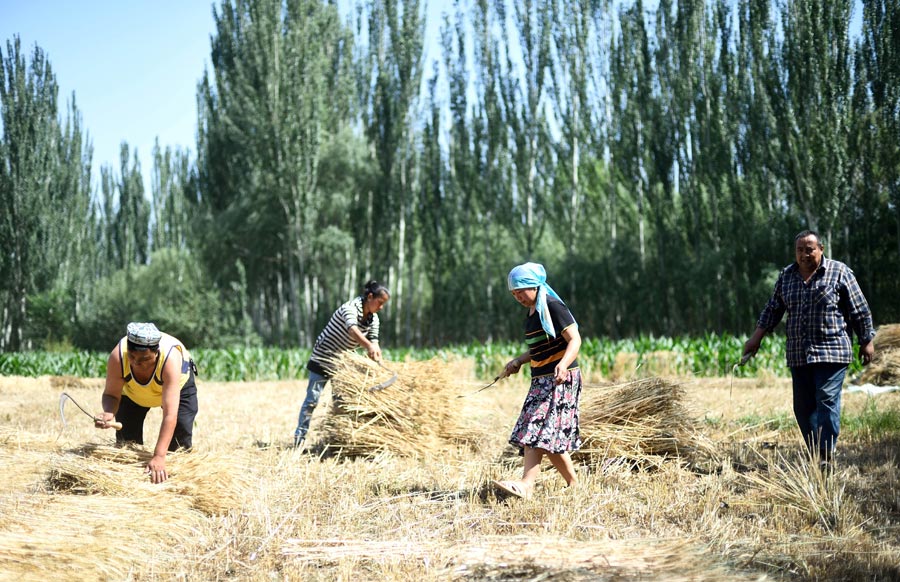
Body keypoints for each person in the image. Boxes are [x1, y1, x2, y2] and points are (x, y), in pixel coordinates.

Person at [742, 230, 876, 468]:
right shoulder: (787, 276)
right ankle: (818, 452)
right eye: (800, 250)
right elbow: (772, 309)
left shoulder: (839, 272)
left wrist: (866, 340)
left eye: (810, 249)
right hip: (799, 353)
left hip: (832, 350)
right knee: (803, 408)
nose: (804, 254)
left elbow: (860, 309)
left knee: (826, 398)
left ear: (821, 249)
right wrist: (756, 338)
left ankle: (826, 455)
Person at [492, 262, 583, 499]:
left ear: (534, 286)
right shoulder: (533, 312)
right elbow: (540, 348)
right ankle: (574, 485)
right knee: (546, 435)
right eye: (513, 294)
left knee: (535, 428)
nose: (518, 297)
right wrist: (519, 361)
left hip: (559, 379)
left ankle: (526, 485)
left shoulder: (552, 306)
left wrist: (563, 365)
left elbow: (575, 340)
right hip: (540, 379)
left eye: (521, 291)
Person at [96, 322, 199, 484]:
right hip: (133, 394)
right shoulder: (118, 357)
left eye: (144, 359)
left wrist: (159, 456)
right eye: (132, 356)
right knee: (127, 445)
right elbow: (111, 395)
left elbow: (170, 415)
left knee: (179, 442)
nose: (136, 363)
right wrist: (109, 412)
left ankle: (175, 485)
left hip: (178, 387)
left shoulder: (170, 361)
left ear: (156, 353)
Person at [293, 280, 390, 446]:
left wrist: (380, 364)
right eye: (380, 303)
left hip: (342, 363)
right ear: (370, 296)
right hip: (322, 357)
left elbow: (374, 342)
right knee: (312, 401)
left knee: (340, 403)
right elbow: (352, 329)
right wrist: (368, 346)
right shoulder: (350, 308)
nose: (381, 307)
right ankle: (299, 441)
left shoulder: (374, 320)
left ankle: (335, 442)